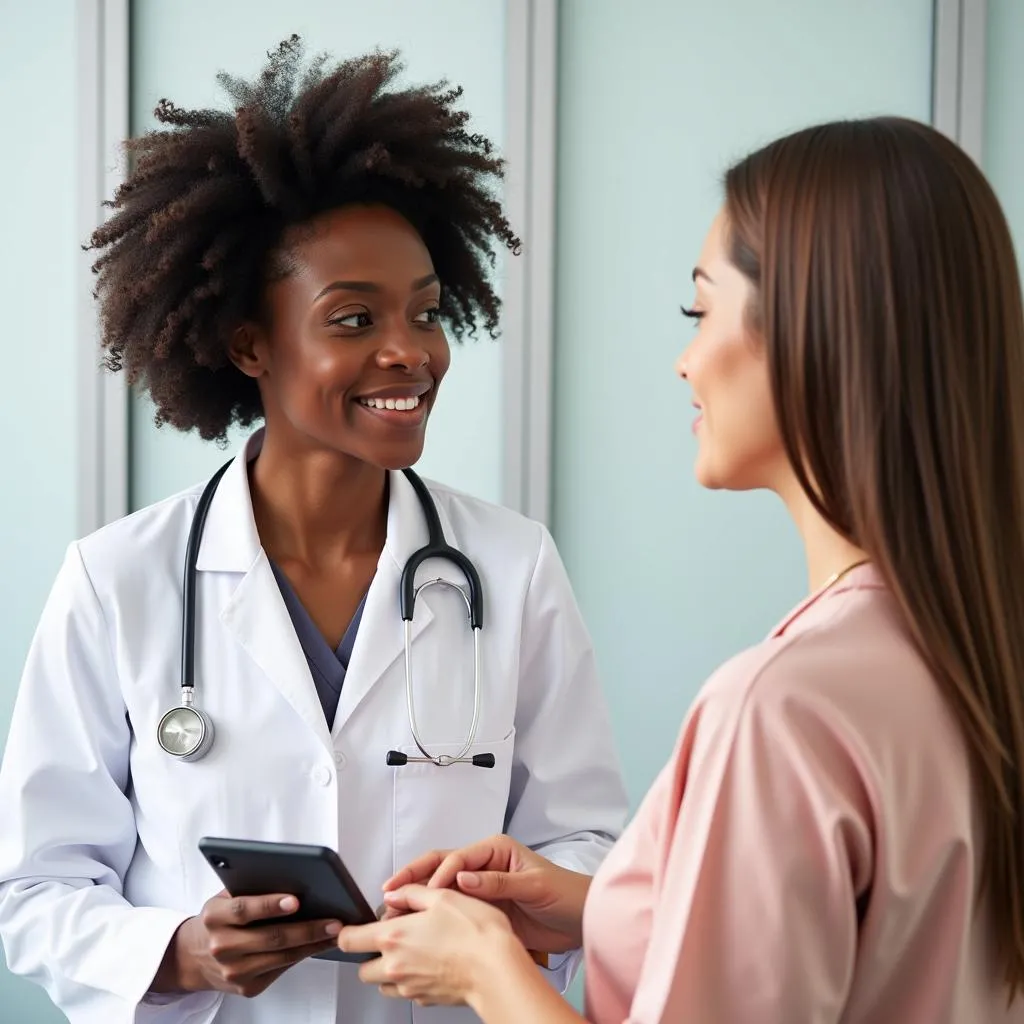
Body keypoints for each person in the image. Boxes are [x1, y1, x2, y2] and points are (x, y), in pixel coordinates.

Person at [334, 116, 1024, 1023]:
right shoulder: (975, 657)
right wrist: (601, 908)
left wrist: (484, 972)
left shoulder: (781, 711)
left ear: (818, 330)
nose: (686, 359)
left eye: (701, 311)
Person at [0, 38, 628, 1024]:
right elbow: (33, 889)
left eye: (425, 313)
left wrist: (510, 902)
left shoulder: (511, 567)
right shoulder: (117, 580)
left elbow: (588, 846)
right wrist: (179, 949)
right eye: (351, 318)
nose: (409, 353)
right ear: (248, 342)